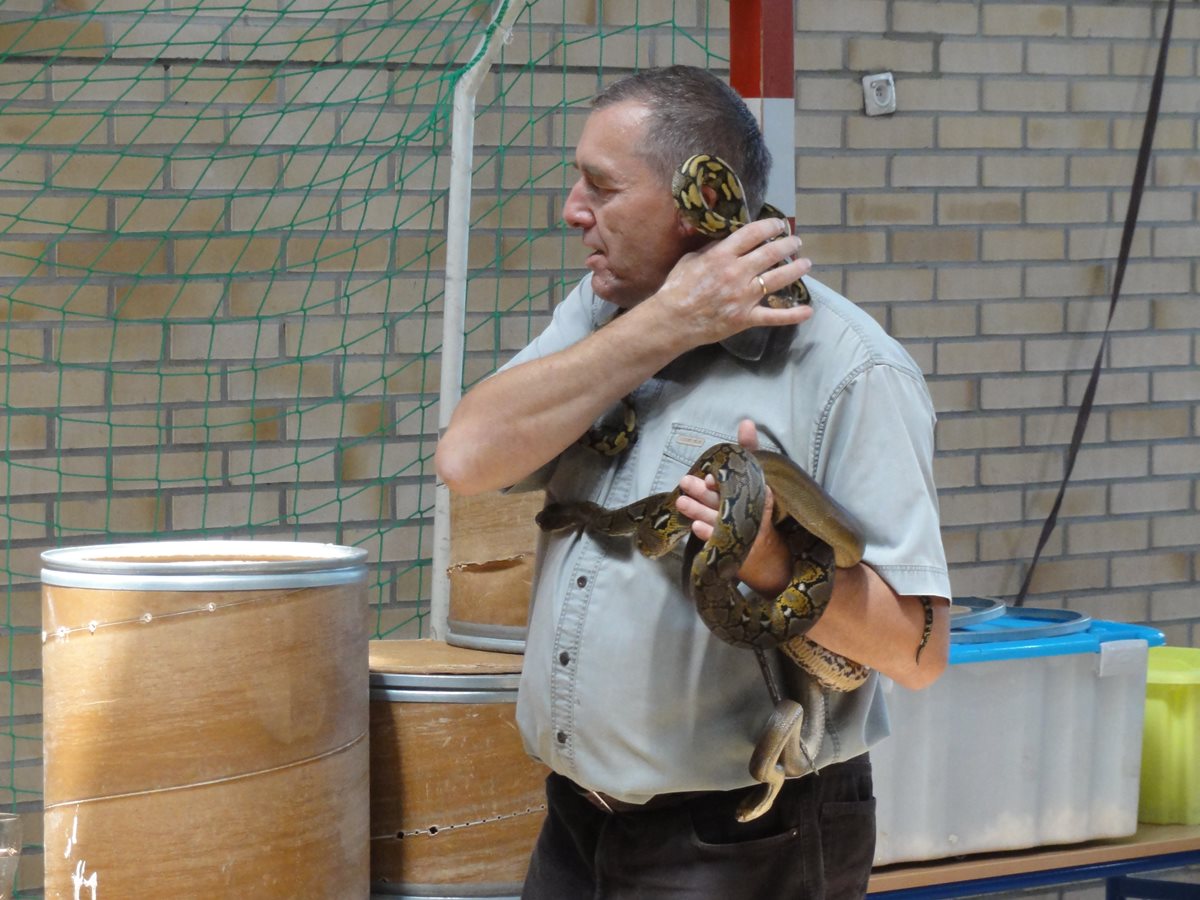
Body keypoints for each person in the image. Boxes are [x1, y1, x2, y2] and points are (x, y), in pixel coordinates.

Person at [435, 65, 952, 900]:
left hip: (747, 839)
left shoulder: (850, 369)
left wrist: (773, 564)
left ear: (692, 201)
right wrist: (668, 323)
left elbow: (919, 652)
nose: (573, 209)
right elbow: (467, 459)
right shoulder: (606, 314)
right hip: (578, 823)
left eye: (602, 187)